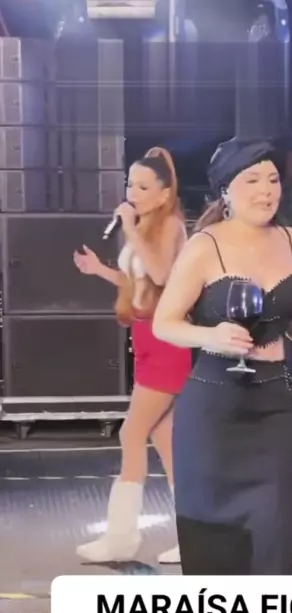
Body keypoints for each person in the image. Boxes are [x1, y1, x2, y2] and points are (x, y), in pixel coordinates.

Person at [153, 137, 292, 575]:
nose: (266, 191)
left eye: (272, 180)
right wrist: (210, 337)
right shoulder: (204, 246)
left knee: (275, 535)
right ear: (226, 190)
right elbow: (164, 323)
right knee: (214, 550)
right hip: (213, 412)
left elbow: (281, 311)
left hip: (274, 408)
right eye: (252, 180)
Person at [73, 147, 191, 564]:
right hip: (145, 337)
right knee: (165, 441)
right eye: (130, 185)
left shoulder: (172, 226)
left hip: (166, 341)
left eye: (142, 187)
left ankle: (121, 538)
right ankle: (194, 535)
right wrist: (98, 269)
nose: (132, 193)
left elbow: (161, 274)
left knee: (131, 433)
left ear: (164, 193)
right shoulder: (143, 227)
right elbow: (135, 282)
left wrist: (129, 227)